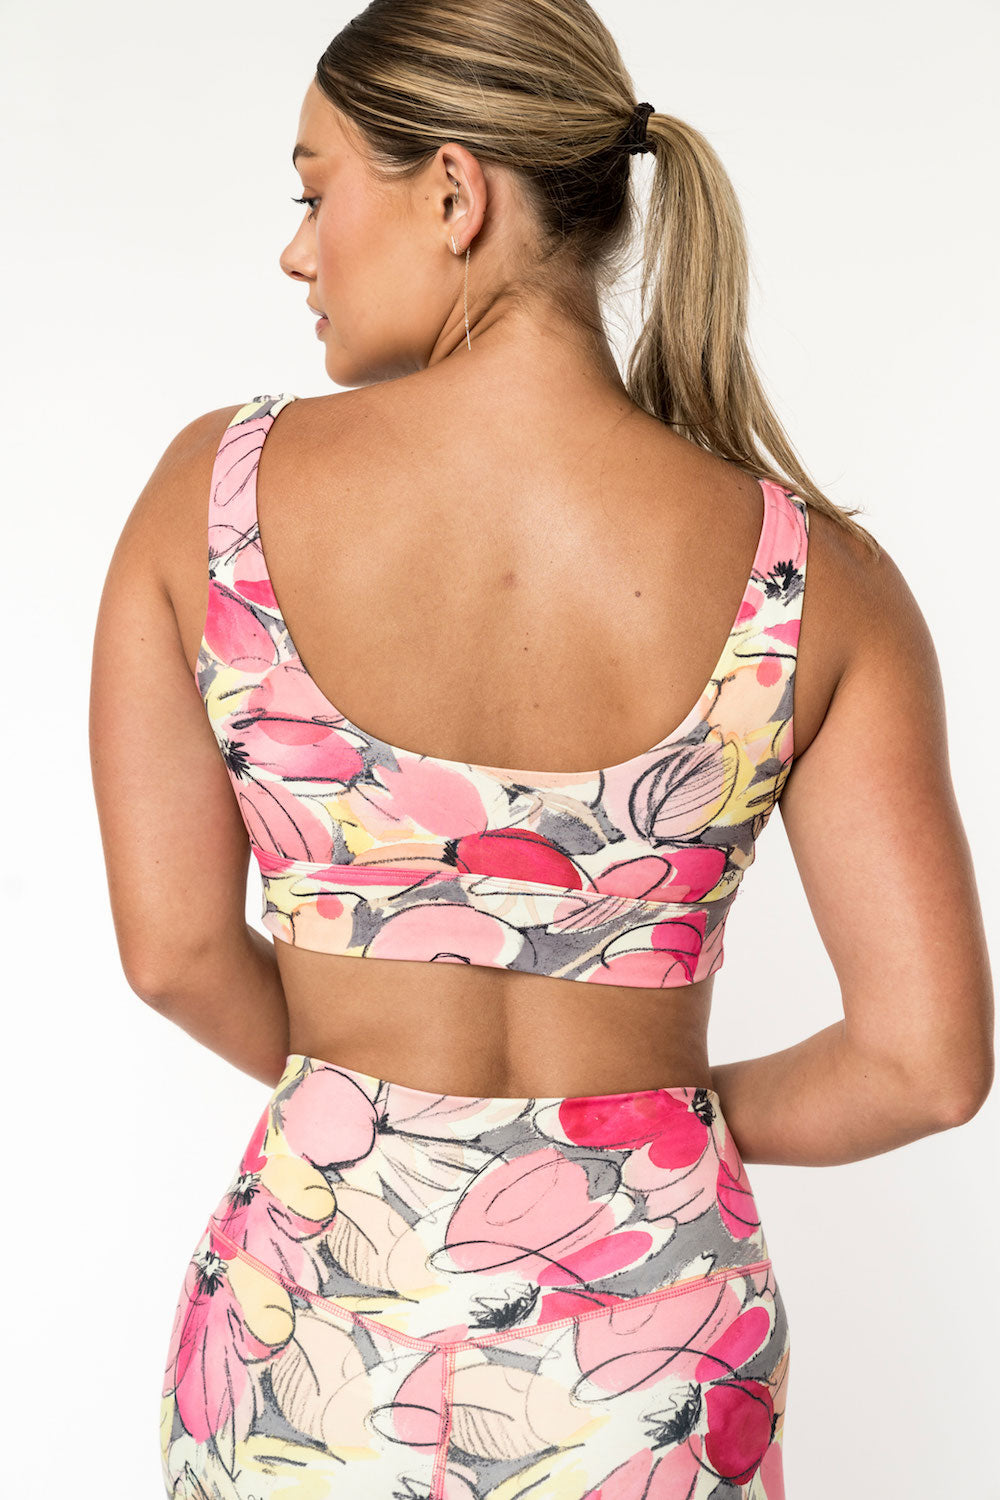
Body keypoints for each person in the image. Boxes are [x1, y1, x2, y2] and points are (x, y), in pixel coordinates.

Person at [89, 3, 993, 1497]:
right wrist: (641, 1126)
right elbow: (925, 1063)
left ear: (455, 192)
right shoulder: (817, 580)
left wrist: (377, 1103)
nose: (297, 252)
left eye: (315, 191)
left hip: (311, 1328)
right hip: (659, 1345)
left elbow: (177, 952)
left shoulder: (214, 495)